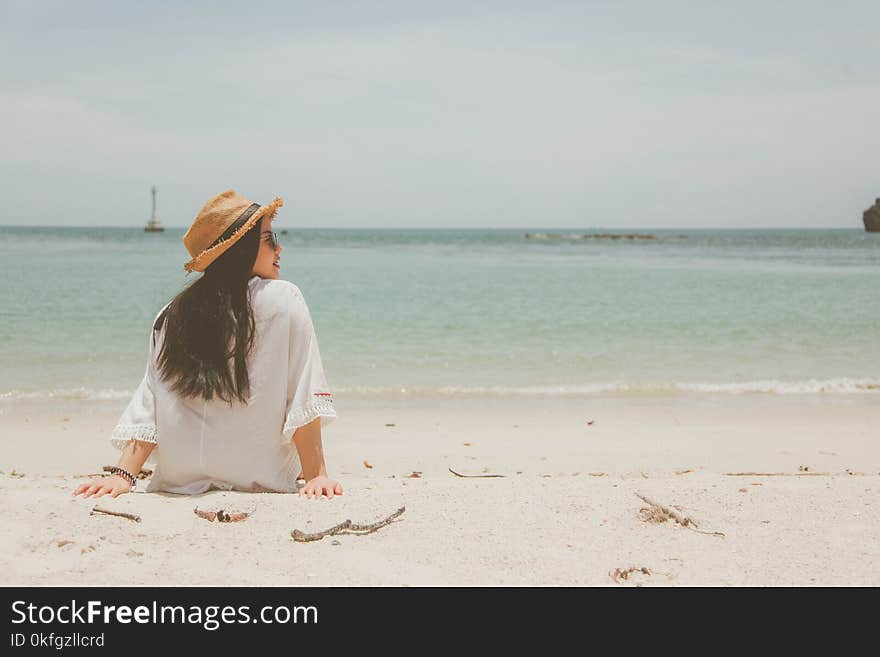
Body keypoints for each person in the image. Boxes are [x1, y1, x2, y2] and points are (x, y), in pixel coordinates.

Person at [73, 189, 342, 500]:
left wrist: (123, 476)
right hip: (256, 474)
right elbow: (302, 388)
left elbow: (151, 399)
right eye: (269, 238)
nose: (279, 248)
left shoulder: (172, 313)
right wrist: (317, 476)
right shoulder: (284, 298)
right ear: (241, 249)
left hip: (179, 477)